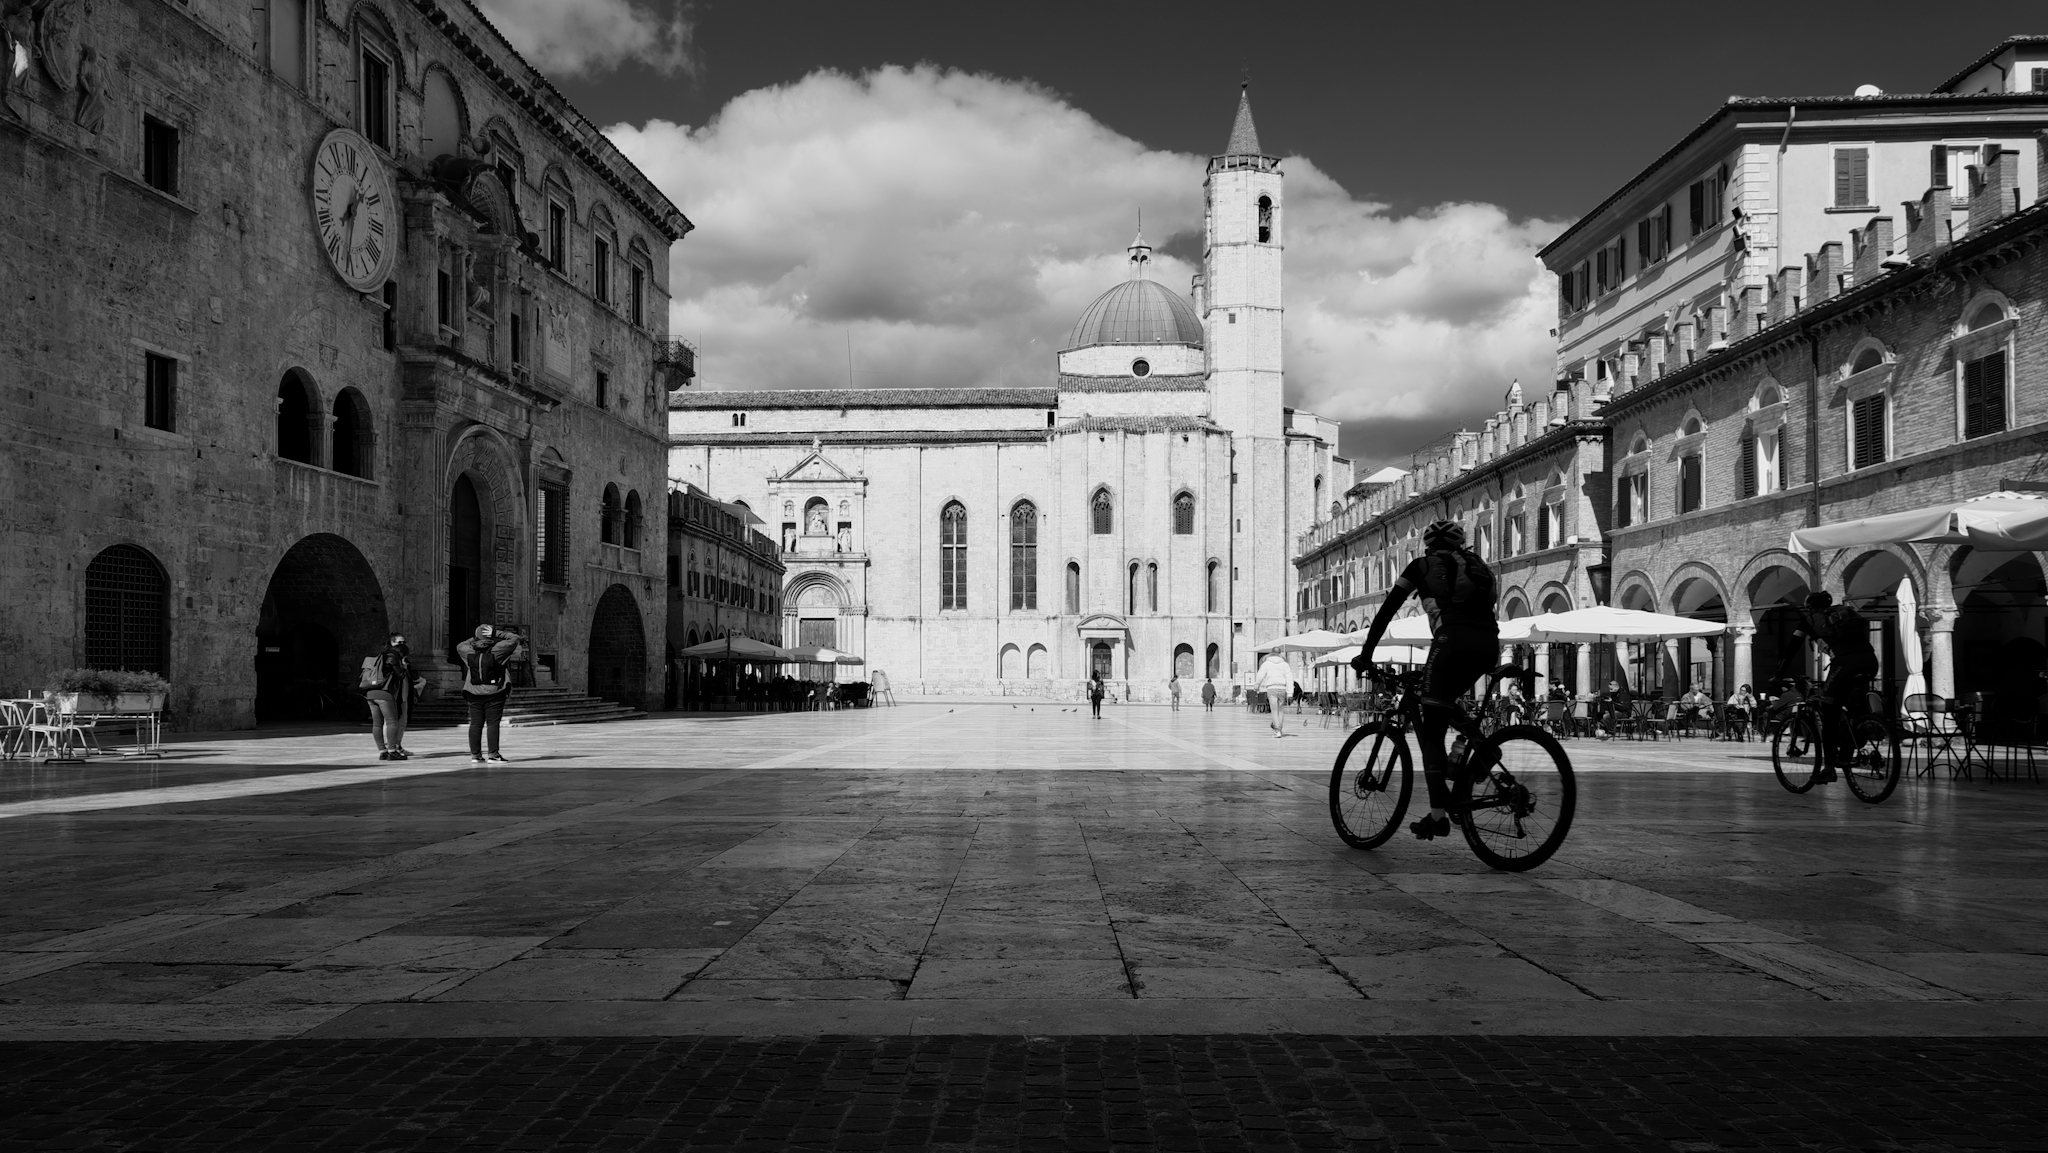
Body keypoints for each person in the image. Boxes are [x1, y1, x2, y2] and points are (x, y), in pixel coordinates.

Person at [1350, 519, 1498, 837]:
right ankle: (1480, 747)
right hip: (1489, 646)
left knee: (1431, 733)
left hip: (1450, 643)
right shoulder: (1476, 566)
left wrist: (1366, 653)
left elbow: (1387, 611)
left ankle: (1437, 815)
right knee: (1442, 702)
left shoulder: (1420, 566)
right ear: (1460, 545)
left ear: (1428, 546)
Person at [1795, 591, 1880, 775]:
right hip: (1871, 661)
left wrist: (1777, 675)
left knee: (1829, 711)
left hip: (1845, 663)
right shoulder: (1847, 613)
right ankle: (1859, 728)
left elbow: (1791, 649)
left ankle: (1829, 767)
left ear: (1811, 608)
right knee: (1849, 701)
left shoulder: (1811, 620)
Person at [457, 623, 523, 763]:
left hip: (473, 691)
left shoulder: (468, 651)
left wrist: (476, 637)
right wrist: (496, 633)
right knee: (493, 723)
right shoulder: (498, 649)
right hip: (495, 692)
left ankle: (475, 755)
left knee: (475, 724)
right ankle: (493, 755)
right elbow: (515, 638)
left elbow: (460, 645)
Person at [362, 634, 414, 761]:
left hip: (370, 693)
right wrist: (403, 665)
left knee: (377, 724)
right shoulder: (393, 657)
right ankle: (392, 751)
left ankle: (382, 751)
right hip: (384, 693)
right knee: (391, 721)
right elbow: (400, 675)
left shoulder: (381, 655)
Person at [1254, 651, 1295, 737]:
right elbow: (1290, 678)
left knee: (1274, 710)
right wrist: (1290, 692)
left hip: (1272, 688)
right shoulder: (1285, 664)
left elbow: (1260, 675)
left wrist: (1256, 687)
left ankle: (1277, 731)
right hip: (1282, 689)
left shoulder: (1266, 664)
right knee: (1280, 710)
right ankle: (1280, 729)